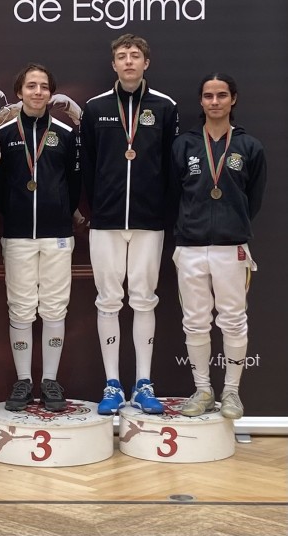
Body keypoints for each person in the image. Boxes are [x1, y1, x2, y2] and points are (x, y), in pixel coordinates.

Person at [80, 34, 178, 415]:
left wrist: (159, 211)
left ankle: (143, 383)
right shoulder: (95, 107)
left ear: (146, 63)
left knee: (143, 299)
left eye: (135, 56)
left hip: (149, 221)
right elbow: (87, 165)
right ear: (114, 65)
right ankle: (112, 385)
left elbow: (171, 168)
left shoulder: (165, 107)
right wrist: (98, 206)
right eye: (122, 56)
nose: (129, 62)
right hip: (105, 220)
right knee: (108, 300)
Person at [171, 74, 266, 419]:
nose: (215, 101)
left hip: (232, 247)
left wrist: (232, 224)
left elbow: (252, 200)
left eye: (221, 95)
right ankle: (202, 390)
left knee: (234, 321)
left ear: (233, 99)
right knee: (195, 322)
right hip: (191, 246)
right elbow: (173, 194)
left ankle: (231, 393)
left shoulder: (249, 146)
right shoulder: (184, 145)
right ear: (201, 101)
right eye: (208, 96)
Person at [0, 64, 81, 411]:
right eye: (31, 86)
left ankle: (50, 381)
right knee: (22, 307)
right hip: (18, 233)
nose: (38, 92)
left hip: (57, 234)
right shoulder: (5, 133)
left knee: (56, 306)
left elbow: (74, 185)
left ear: (51, 92)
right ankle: (24, 380)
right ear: (19, 91)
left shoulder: (65, 134)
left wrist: (59, 211)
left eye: (44, 86)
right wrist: (13, 210)